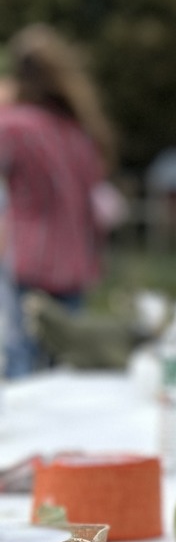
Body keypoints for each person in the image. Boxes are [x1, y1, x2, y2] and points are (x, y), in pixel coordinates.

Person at [0, 26, 116, 376]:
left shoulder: (15, 126)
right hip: (75, 265)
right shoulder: (77, 133)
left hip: (31, 261)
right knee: (64, 367)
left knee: (22, 360)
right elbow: (93, 204)